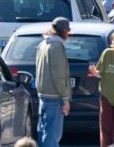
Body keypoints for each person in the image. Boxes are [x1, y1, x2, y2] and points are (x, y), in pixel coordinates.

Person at [35, 18, 72, 147]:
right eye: (68, 30)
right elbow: (59, 75)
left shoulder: (43, 44)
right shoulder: (56, 46)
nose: (69, 33)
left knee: (43, 133)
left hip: (43, 95)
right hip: (54, 96)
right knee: (52, 136)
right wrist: (65, 99)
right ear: (63, 30)